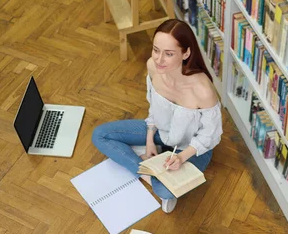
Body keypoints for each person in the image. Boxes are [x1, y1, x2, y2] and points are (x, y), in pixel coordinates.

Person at [91, 19, 223, 213]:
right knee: (100, 134)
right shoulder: (153, 67)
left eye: (169, 54)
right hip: (161, 132)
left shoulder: (202, 90)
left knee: (165, 191)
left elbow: (210, 136)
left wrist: (181, 158)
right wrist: (150, 139)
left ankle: (149, 167)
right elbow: (154, 106)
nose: (159, 59)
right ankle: (148, 169)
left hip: (191, 148)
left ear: (186, 53)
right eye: (156, 50)